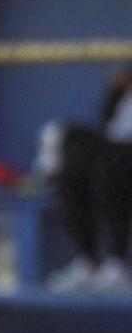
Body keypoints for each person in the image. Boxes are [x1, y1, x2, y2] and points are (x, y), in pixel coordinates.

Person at [40, 66, 132, 292]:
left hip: (123, 160)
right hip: (114, 154)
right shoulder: (122, 93)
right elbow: (108, 128)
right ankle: (87, 263)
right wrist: (117, 89)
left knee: (111, 165)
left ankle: (115, 267)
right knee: (68, 170)